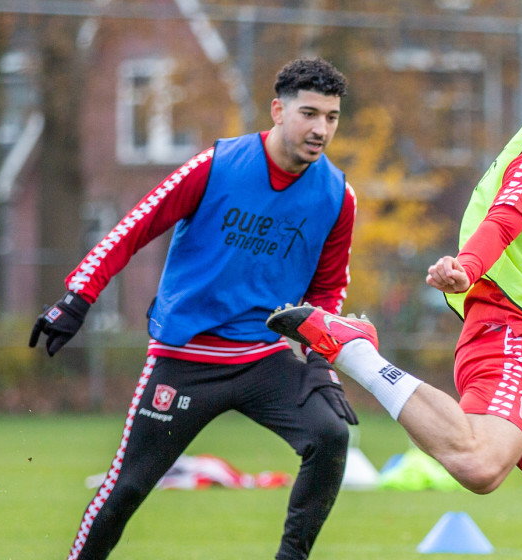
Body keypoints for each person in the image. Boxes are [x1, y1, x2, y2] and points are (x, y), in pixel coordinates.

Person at [267, 49, 522, 559]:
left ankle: (362, 353)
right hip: (510, 333)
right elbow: (506, 216)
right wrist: (467, 266)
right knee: (481, 464)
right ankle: (360, 355)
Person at [28, 57, 360, 560]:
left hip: (263, 357)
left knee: (331, 436)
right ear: (277, 110)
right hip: (185, 356)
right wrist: (78, 297)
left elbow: (330, 288)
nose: (321, 129)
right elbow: (135, 225)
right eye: (309, 113)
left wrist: (319, 358)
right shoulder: (219, 165)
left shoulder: (337, 195)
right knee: (128, 488)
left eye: (331, 117)